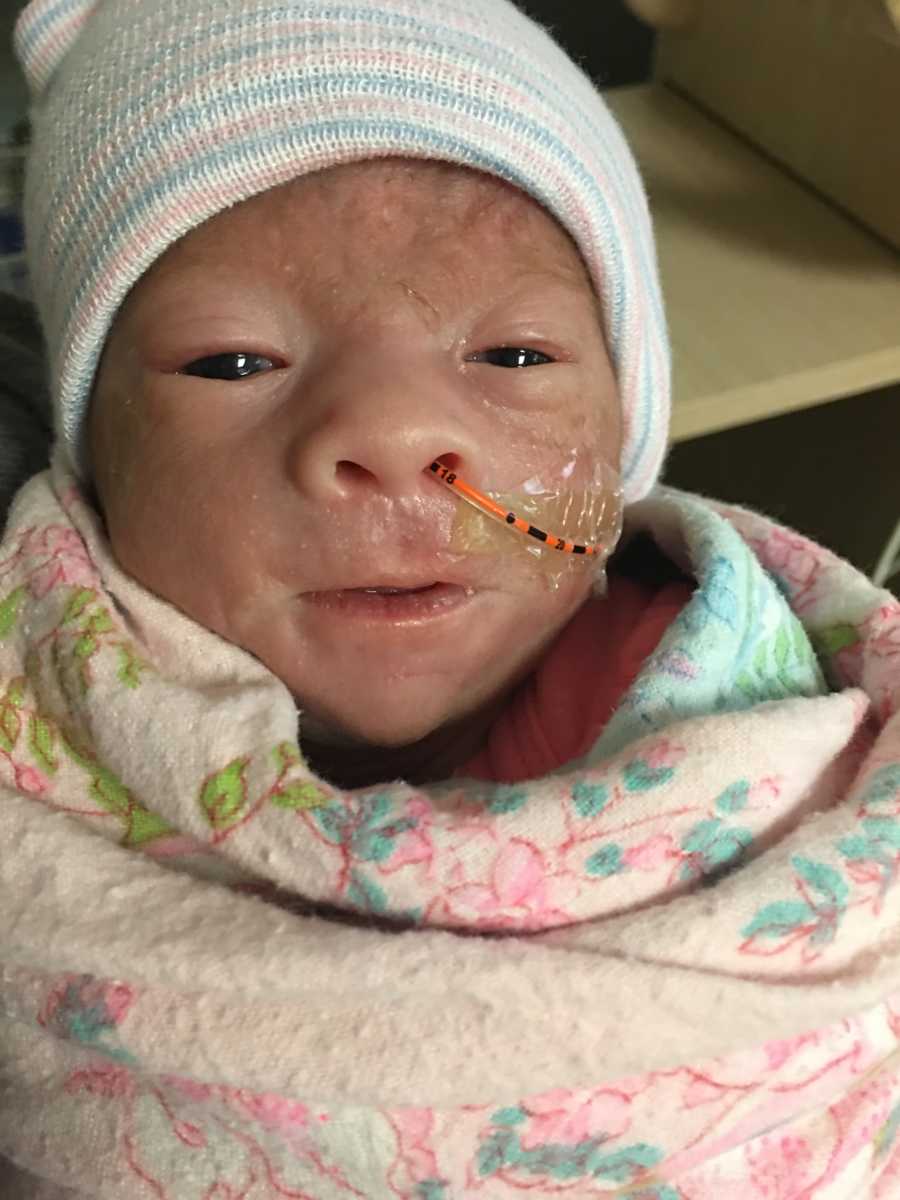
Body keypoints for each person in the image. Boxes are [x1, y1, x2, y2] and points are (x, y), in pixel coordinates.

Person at [2, 1, 900, 1196]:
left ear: (627, 440)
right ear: (95, 467)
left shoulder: (788, 750)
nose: (392, 434)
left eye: (513, 356)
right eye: (232, 361)